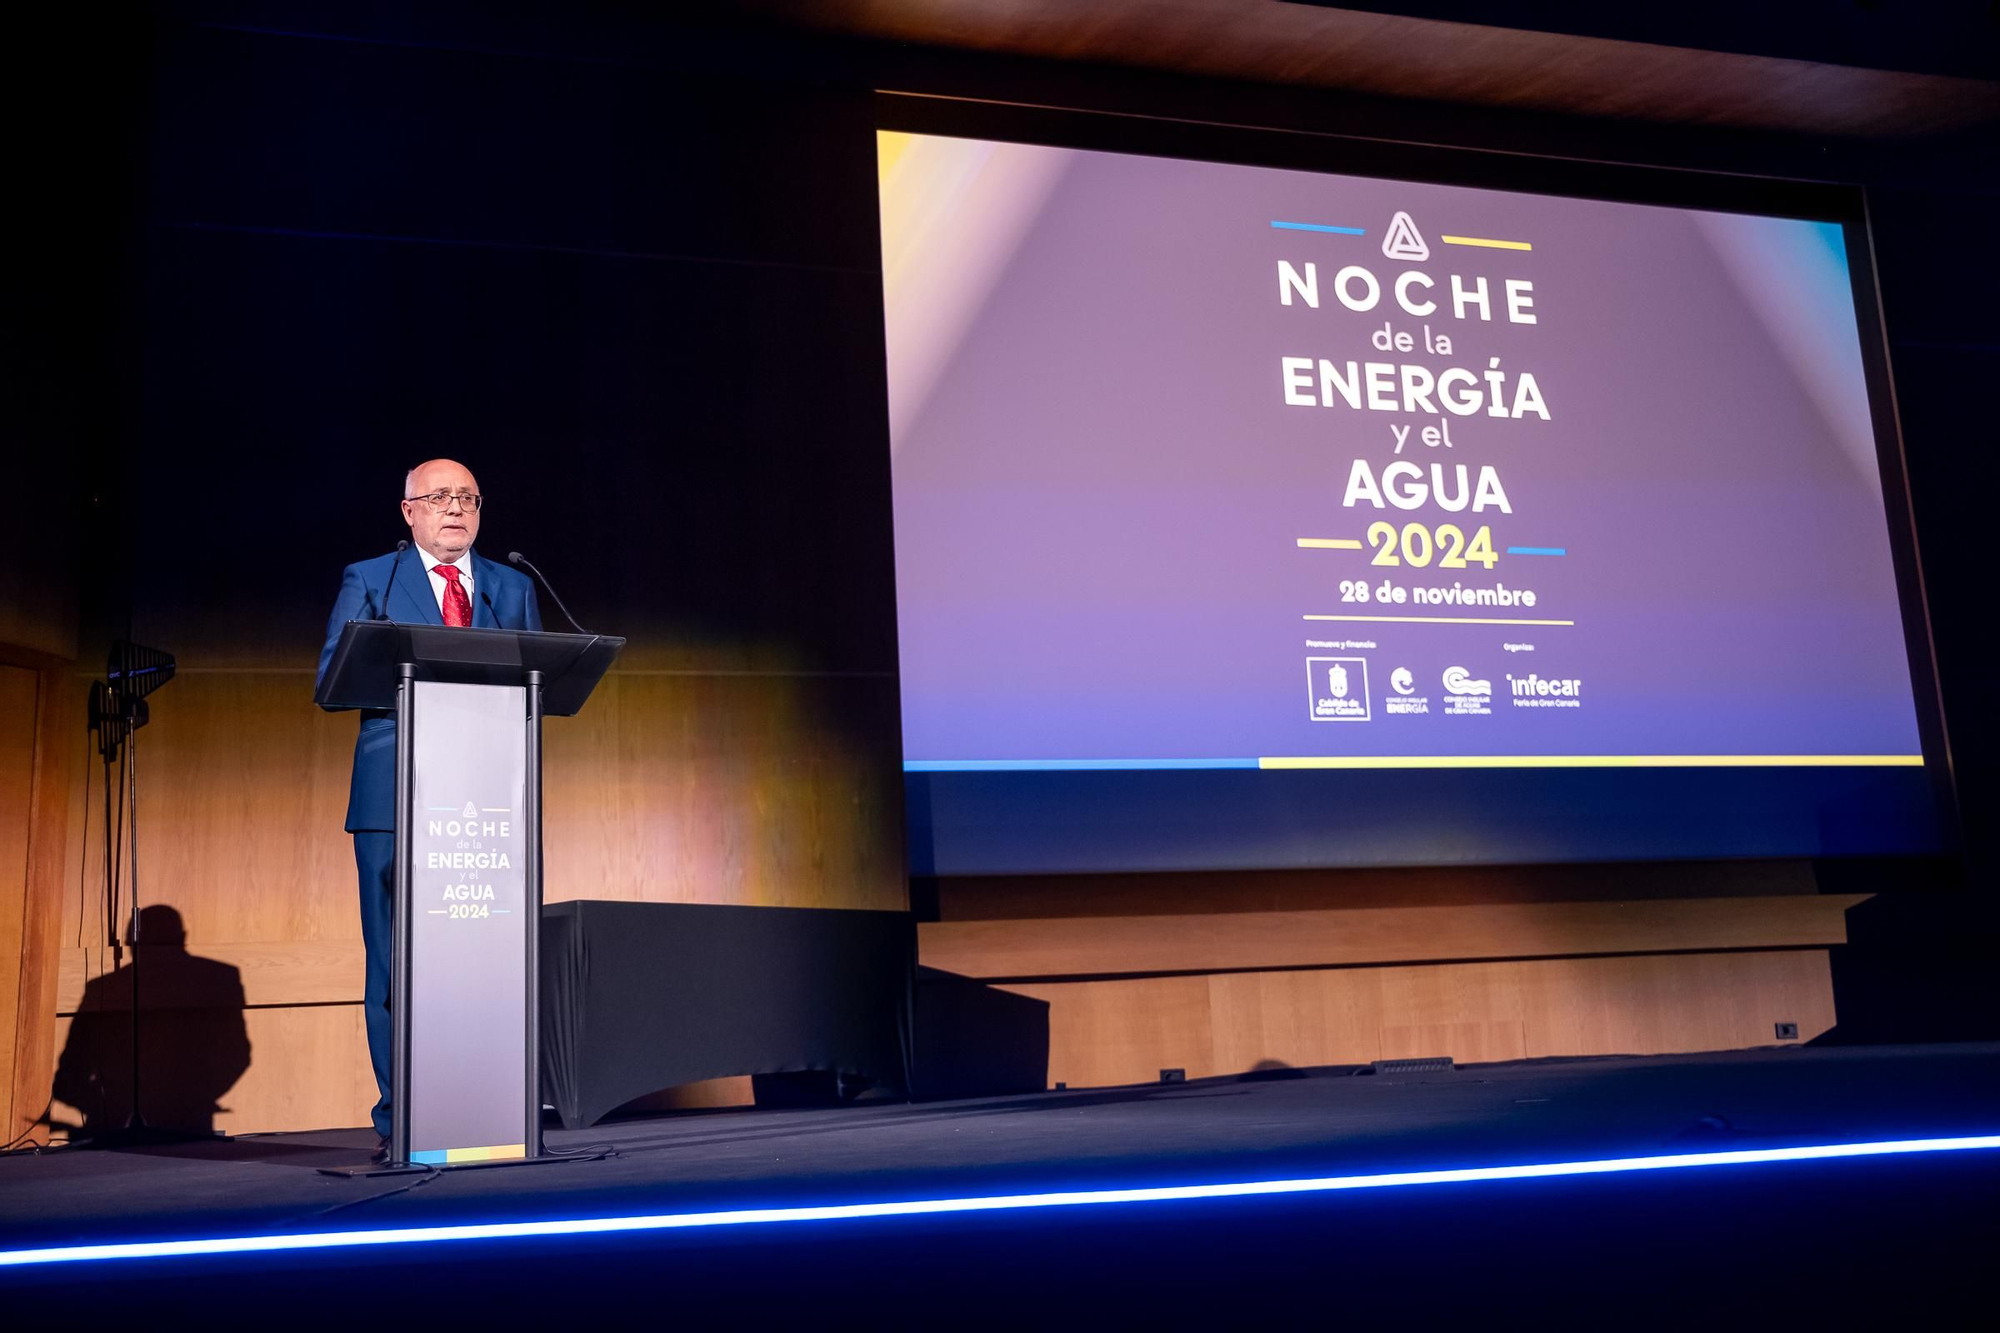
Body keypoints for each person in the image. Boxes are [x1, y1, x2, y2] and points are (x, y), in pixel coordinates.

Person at [315, 459, 542, 1155]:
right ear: (408, 511)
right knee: (394, 962)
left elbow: (538, 683)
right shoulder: (373, 579)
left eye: (467, 497)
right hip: (394, 797)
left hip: (486, 799)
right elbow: (331, 679)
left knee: (484, 959)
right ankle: (403, 1121)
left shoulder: (512, 585)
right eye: (439, 496)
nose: (455, 508)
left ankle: (487, 1113)